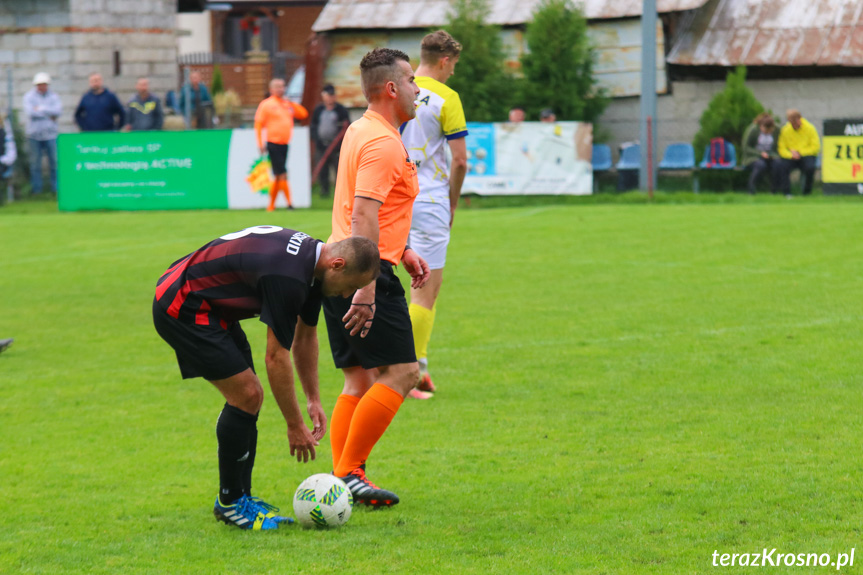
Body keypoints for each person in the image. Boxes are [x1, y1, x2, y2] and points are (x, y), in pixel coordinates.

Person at [152, 226, 380, 531]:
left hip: (209, 301)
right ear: (337, 265)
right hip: (182, 302)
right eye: (350, 286)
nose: (346, 295)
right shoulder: (289, 278)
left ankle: (240, 499)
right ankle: (231, 503)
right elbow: (275, 357)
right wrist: (294, 424)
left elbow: (305, 336)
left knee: (249, 398)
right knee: (247, 395)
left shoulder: (314, 266)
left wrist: (312, 399)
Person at [323, 47, 429, 506]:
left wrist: (401, 249)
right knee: (403, 372)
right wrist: (367, 287)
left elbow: (361, 211)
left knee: (358, 381)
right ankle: (348, 474)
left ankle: (339, 479)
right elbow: (363, 213)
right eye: (410, 80)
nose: (417, 88)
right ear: (391, 88)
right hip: (362, 275)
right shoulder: (384, 142)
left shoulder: (360, 130)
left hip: (334, 267)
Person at [400, 30, 468, 399]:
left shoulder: (398, 87)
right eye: (453, 65)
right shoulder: (446, 97)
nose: (453, 72)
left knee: (380, 284)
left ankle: (404, 365)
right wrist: (453, 201)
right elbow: (460, 161)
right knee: (425, 290)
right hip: (429, 201)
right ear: (444, 60)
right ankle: (409, 374)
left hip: (393, 198)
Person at [255, 78, 309, 211]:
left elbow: (303, 114)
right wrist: (260, 143)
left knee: (279, 175)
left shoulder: (286, 104)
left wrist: (290, 103)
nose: (281, 89)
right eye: (278, 86)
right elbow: (258, 124)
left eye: (283, 86)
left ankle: (271, 206)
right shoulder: (266, 104)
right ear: (271, 89)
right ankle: (289, 204)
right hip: (273, 142)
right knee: (282, 173)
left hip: (285, 143)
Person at [22, 72, 61, 194]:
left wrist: (41, 109)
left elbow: (58, 111)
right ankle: (37, 190)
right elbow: (30, 113)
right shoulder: (29, 96)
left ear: (47, 84)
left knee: (54, 162)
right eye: (39, 84)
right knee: (35, 164)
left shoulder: (54, 96)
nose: (42, 86)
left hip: (50, 135)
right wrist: (48, 113)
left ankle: (56, 189)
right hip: (34, 135)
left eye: (44, 84)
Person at [311, 84, 350, 197]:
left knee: (339, 169)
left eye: (332, 95)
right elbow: (313, 126)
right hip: (321, 145)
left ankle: (341, 193)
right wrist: (317, 141)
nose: (330, 98)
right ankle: (324, 192)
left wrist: (338, 144)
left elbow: (346, 127)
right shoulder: (318, 110)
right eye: (328, 95)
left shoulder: (341, 110)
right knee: (323, 170)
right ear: (323, 96)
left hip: (336, 147)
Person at [777, 109, 820, 197]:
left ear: (799, 119)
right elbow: (781, 148)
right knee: (782, 166)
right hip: (791, 156)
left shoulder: (810, 128)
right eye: (791, 123)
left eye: (795, 123)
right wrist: (790, 154)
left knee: (810, 168)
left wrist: (800, 152)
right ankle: (787, 193)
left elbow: (815, 147)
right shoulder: (785, 130)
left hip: (806, 155)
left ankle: (806, 192)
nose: (794, 125)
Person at [744, 114, 780, 195]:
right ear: (761, 126)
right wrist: (760, 153)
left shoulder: (777, 130)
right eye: (765, 130)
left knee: (777, 164)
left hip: (771, 156)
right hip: (753, 157)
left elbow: (779, 146)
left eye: (769, 131)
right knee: (760, 165)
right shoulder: (752, 130)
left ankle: (774, 191)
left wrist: (773, 155)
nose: (767, 133)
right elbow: (746, 147)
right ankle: (751, 189)